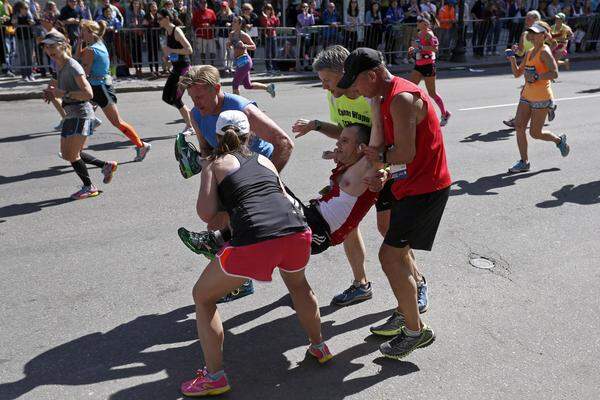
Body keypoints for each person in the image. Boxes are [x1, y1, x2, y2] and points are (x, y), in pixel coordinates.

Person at [179, 110, 332, 397]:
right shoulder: (264, 160)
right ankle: (320, 346)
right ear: (251, 135)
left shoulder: (216, 163)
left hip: (256, 240)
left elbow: (206, 214)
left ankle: (215, 377)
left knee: (203, 297)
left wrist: (215, 189)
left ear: (218, 136)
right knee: (299, 286)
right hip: (297, 231)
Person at [291, 45, 429, 309]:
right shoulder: (336, 97)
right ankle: (361, 284)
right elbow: (344, 131)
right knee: (349, 227)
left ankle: (418, 282)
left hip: (384, 168)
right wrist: (316, 126)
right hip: (355, 169)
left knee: (389, 230)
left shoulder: (372, 96)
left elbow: (395, 142)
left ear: (345, 73)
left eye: (327, 81)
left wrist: (384, 170)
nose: (325, 88)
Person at [337, 47, 452, 359]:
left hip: (427, 188)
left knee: (390, 257)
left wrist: (380, 160)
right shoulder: (383, 97)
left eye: (357, 83)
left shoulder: (400, 98)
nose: (355, 89)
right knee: (395, 256)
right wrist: (384, 173)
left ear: (372, 75)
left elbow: (406, 153)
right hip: (409, 185)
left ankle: (415, 330)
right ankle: (408, 311)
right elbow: (396, 155)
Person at [174, 65, 294, 301]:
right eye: (191, 98)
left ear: (217, 88)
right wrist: (196, 160)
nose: (195, 103)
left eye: (199, 96)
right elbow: (208, 149)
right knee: (219, 227)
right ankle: (240, 280)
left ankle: (294, 285)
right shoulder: (198, 114)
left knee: (271, 237)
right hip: (230, 175)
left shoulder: (240, 107)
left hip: (259, 175)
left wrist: (265, 183)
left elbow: (284, 143)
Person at [41, 31, 116, 199]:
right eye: (46, 47)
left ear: (63, 45)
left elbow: (88, 93)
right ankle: (105, 165)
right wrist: (52, 93)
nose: (49, 50)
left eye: (52, 46)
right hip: (71, 114)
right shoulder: (59, 65)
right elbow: (60, 88)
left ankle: (89, 187)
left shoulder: (73, 66)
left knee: (72, 155)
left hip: (81, 113)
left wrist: (63, 93)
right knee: (68, 153)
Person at [77, 19, 151, 162]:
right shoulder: (98, 44)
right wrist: (80, 41)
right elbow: (79, 57)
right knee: (83, 118)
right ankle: (77, 151)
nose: (81, 33)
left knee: (117, 122)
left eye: (83, 31)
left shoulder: (91, 50)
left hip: (100, 88)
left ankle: (142, 145)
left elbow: (82, 70)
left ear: (91, 32)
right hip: (97, 87)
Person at [506, 21, 570, 174]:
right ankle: (524, 162)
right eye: (531, 32)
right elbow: (517, 74)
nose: (531, 35)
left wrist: (537, 76)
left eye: (535, 32)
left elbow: (554, 73)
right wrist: (512, 59)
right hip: (527, 96)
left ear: (543, 35)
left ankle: (559, 140)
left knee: (535, 133)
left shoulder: (544, 52)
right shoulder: (529, 52)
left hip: (541, 97)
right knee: (519, 126)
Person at [407, 12, 452, 127]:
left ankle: (445, 114)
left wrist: (421, 47)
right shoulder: (419, 33)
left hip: (428, 65)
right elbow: (418, 47)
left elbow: (435, 49)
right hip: (418, 65)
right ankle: (413, 113)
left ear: (425, 23)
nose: (416, 23)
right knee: (410, 89)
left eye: (419, 21)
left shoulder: (429, 34)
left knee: (432, 93)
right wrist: (413, 49)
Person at [158, 8, 194, 135]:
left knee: (176, 98)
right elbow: (171, 51)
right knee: (166, 97)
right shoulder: (167, 32)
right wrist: (167, 58)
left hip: (184, 68)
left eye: (159, 18)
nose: (158, 21)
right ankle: (190, 115)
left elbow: (189, 50)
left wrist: (172, 50)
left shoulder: (176, 31)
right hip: (176, 68)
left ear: (167, 18)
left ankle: (190, 126)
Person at [227, 15, 276, 97]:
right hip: (238, 61)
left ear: (240, 24)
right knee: (247, 85)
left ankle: (238, 106)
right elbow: (231, 46)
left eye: (235, 22)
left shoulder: (244, 35)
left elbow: (254, 47)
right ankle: (268, 87)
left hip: (245, 61)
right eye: (233, 21)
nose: (232, 23)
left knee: (235, 84)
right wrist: (228, 44)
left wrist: (245, 46)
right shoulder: (231, 34)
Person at [12, 1, 35, 81]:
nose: (27, 9)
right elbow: (14, 24)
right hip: (20, 37)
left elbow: (33, 23)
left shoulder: (29, 15)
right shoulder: (16, 15)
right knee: (22, 56)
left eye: (27, 8)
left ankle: (30, 74)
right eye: (25, 8)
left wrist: (31, 22)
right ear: (20, 9)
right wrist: (15, 21)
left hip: (29, 37)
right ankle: (24, 75)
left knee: (29, 56)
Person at [191, 0, 216, 65]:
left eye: (205, 2)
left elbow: (214, 22)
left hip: (210, 35)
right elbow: (193, 23)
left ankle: (212, 65)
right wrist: (201, 25)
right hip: (200, 35)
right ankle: (203, 64)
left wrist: (210, 26)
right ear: (199, 4)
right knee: (202, 51)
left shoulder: (211, 12)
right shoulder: (196, 13)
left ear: (206, 4)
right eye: (202, 3)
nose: (203, 4)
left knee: (212, 50)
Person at [125, 0, 145, 77]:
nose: (136, 5)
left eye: (137, 3)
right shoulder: (129, 12)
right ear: (132, 4)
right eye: (134, 3)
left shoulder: (142, 12)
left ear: (140, 4)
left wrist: (140, 26)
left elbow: (144, 23)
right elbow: (127, 23)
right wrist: (133, 24)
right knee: (134, 52)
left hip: (139, 34)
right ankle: (136, 69)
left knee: (140, 52)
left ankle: (140, 68)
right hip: (132, 35)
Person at [260, 3, 279, 74]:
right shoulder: (263, 17)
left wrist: (277, 18)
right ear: (265, 10)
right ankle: (268, 67)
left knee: (274, 52)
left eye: (270, 9)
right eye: (267, 9)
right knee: (267, 53)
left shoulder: (273, 16)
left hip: (273, 35)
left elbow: (276, 25)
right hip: (267, 36)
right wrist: (265, 18)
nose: (269, 10)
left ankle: (275, 66)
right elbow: (265, 25)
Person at [143, 1, 160, 78]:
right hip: (149, 36)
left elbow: (160, 24)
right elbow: (144, 24)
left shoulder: (158, 15)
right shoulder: (147, 15)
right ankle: (151, 70)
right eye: (152, 7)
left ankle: (157, 70)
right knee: (150, 53)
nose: (154, 8)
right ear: (150, 8)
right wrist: (150, 22)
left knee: (156, 53)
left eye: (155, 6)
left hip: (157, 36)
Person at [215, 1, 233, 72]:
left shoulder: (232, 15)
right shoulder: (219, 15)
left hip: (230, 36)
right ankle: (225, 66)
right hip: (221, 36)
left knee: (231, 51)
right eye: (222, 6)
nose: (223, 8)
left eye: (225, 6)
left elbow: (235, 23)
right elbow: (217, 24)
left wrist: (230, 24)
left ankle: (230, 66)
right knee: (223, 52)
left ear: (227, 6)